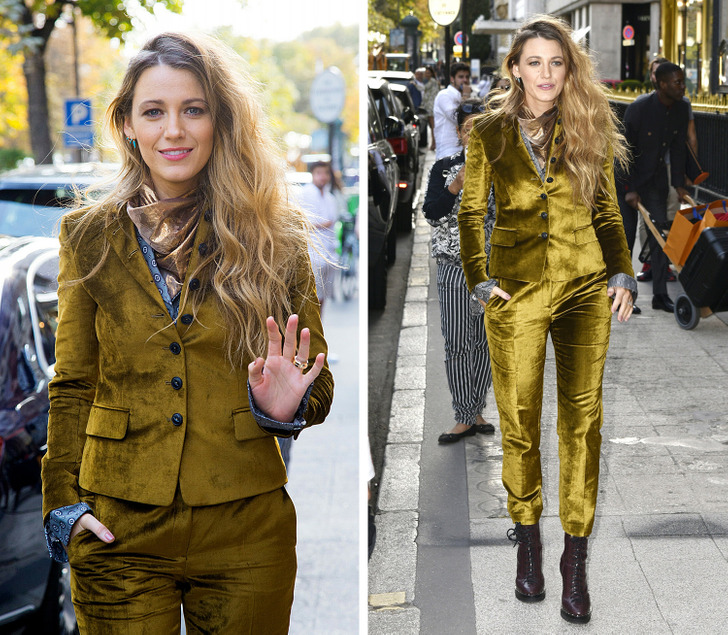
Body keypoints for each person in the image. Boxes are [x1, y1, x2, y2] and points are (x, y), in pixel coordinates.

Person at [41, 32, 334, 633]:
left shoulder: (275, 234)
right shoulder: (86, 235)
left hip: (245, 528)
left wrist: (283, 406)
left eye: (193, 110)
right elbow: (72, 383)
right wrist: (63, 508)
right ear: (127, 124)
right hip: (118, 526)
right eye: (154, 112)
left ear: (219, 120)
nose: (173, 130)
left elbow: (317, 380)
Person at [458, 15, 636, 624]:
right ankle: (528, 543)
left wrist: (622, 271)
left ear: (568, 68)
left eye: (556, 63)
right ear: (515, 68)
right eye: (534, 62)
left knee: (583, 423)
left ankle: (574, 563)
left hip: (585, 285)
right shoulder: (488, 132)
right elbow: (471, 212)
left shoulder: (589, 123)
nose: (547, 74)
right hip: (516, 293)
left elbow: (607, 211)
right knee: (519, 424)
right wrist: (480, 278)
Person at [422, 98, 496, 444]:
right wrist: (456, 186)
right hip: (452, 267)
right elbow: (431, 213)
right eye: (468, 129)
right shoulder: (443, 168)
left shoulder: (501, 168)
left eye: (481, 127)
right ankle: (464, 415)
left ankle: (476, 410)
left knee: (486, 342)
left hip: (491, 271)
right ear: (459, 133)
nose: (474, 134)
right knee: (456, 342)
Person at [623, 62, 689, 313]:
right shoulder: (639, 109)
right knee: (626, 239)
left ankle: (660, 296)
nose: (682, 87)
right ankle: (625, 297)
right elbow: (623, 152)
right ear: (662, 84)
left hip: (655, 181)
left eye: (682, 82)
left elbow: (678, 148)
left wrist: (679, 185)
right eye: (677, 82)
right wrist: (629, 188)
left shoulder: (681, 108)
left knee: (661, 237)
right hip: (627, 181)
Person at [634, 56, 696, 284]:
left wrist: (687, 173)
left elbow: (688, 138)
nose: (681, 86)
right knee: (648, 218)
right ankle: (650, 262)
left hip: (671, 169)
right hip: (649, 171)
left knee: (670, 215)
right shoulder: (642, 104)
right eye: (654, 72)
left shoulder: (682, 104)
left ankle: (665, 262)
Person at [299, 160, 339, 315]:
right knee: (314, 295)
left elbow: (332, 222)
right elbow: (302, 222)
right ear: (313, 175)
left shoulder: (330, 197)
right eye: (319, 173)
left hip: (329, 251)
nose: (322, 177)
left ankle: (320, 324)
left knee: (323, 296)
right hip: (313, 252)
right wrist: (324, 224)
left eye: (325, 173)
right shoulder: (306, 194)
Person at [433, 61, 472, 160]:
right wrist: (466, 97)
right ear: (452, 79)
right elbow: (457, 118)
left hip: (463, 151)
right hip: (448, 151)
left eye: (467, 77)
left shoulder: (462, 96)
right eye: (461, 77)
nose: (465, 80)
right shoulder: (444, 95)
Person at [422, 66, 440, 151]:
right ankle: (434, 143)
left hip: (431, 107)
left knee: (433, 126)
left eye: (428, 73)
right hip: (430, 106)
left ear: (432, 74)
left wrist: (414, 84)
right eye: (426, 73)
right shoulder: (432, 81)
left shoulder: (432, 81)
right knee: (432, 126)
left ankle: (434, 143)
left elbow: (423, 88)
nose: (426, 74)